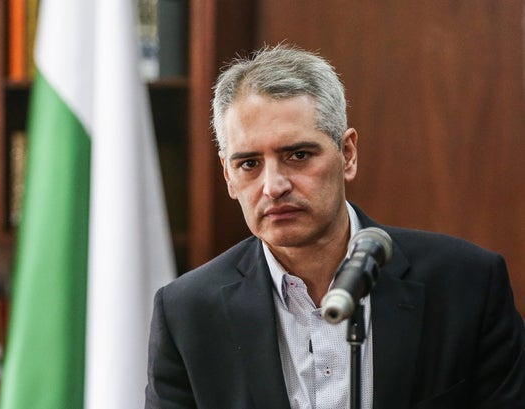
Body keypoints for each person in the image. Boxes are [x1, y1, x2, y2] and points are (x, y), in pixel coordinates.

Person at [145, 45, 525, 408]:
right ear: (228, 175)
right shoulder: (186, 313)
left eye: (298, 155)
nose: (273, 186)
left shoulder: (466, 284)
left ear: (348, 154)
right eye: (249, 164)